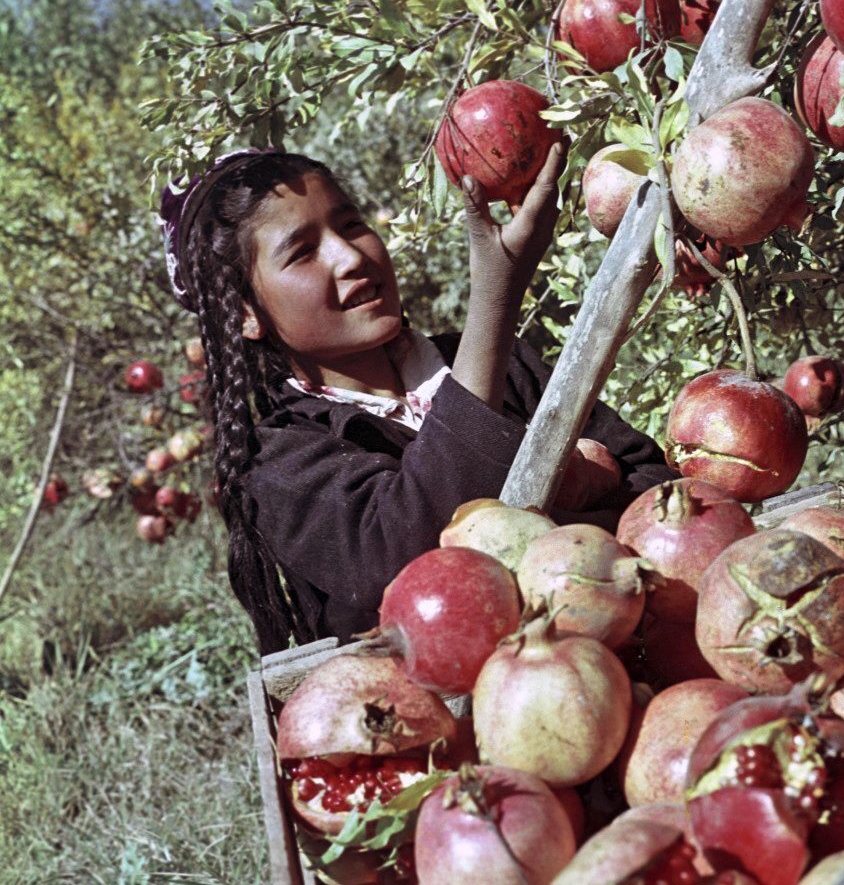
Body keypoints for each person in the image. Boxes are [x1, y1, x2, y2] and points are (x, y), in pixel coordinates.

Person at [159, 145, 678, 655]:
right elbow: (406, 558)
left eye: (352, 224)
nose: (351, 257)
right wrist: (494, 301)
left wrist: (571, 495)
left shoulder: (491, 362)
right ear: (246, 313)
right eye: (302, 252)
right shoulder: (277, 461)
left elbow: (654, 480)